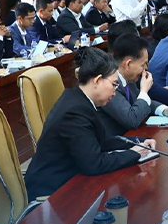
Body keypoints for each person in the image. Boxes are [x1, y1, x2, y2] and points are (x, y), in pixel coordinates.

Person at [25, 48, 155, 199]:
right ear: (98, 80)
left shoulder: (79, 100)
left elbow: (102, 141)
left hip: (71, 181)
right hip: (52, 193)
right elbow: (94, 164)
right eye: (114, 84)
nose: (115, 92)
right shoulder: (74, 112)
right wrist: (135, 153)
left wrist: (139, 142)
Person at [102, 34, 168, 136]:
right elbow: (131, 120)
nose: (145, 69)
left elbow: (140, 102)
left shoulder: (128, 79)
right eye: (143, 65)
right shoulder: (109, 84)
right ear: (128, 64)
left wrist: (165, 110)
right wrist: (144, 90)